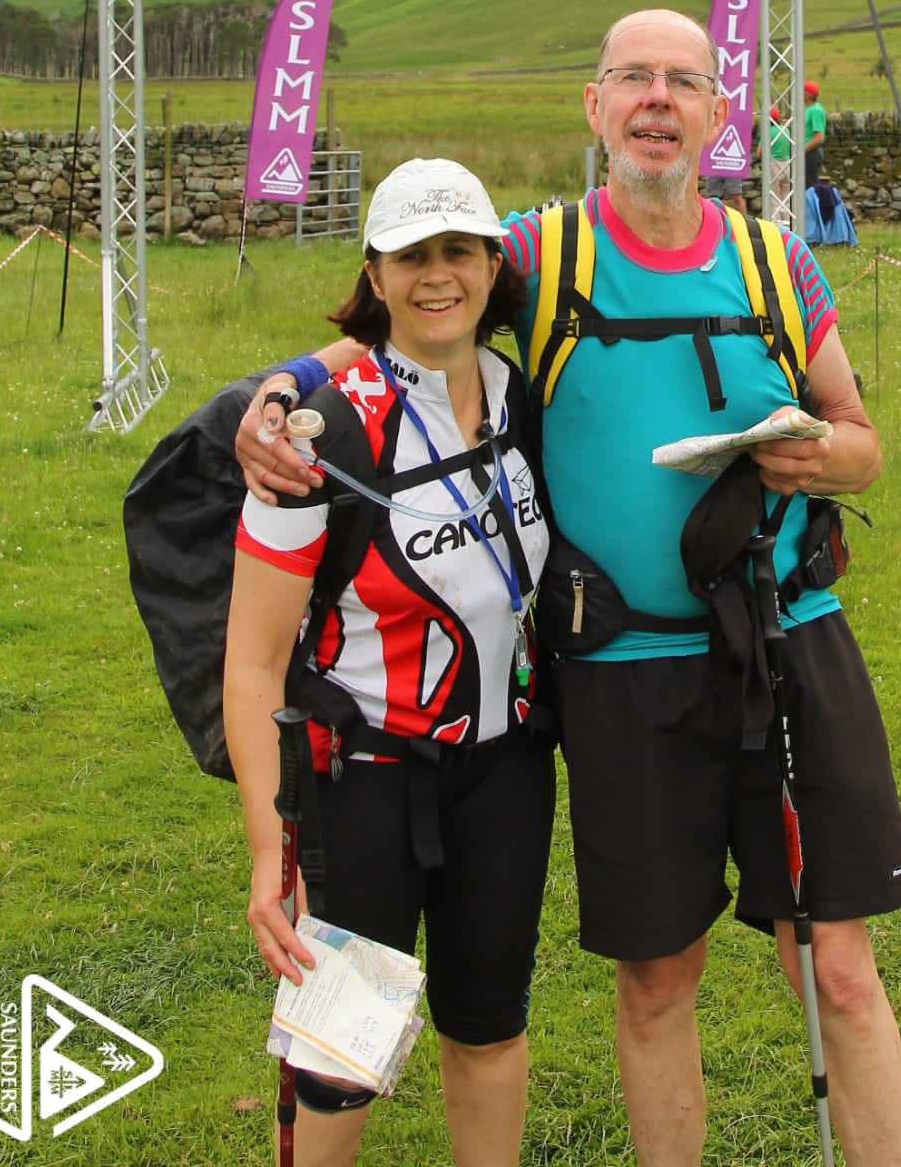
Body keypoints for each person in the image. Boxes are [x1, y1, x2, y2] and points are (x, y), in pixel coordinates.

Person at [238, 15, 901, 1167]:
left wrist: (815, 455)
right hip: (623, 670)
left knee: (840, 969)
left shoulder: (777, 261)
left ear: (718, 113)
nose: (657, 99)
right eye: (632, 78)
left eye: (683, 80)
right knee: (657, 978)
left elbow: (860, 437)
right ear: (593, 106)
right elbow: (411, 311)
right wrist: (277, 396)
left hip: (788, 641)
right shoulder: (537, 253)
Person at [224, 157, 553, 1167]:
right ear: (375, 273)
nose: (438, 274)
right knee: (340, 1061)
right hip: (358, 784)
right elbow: (251, 661)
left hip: (505, 770)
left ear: (493, 264)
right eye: (412, 256)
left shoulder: (522, 396)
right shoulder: (317, 436)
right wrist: (270, 847)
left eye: (459, 250)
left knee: (489, 1027)